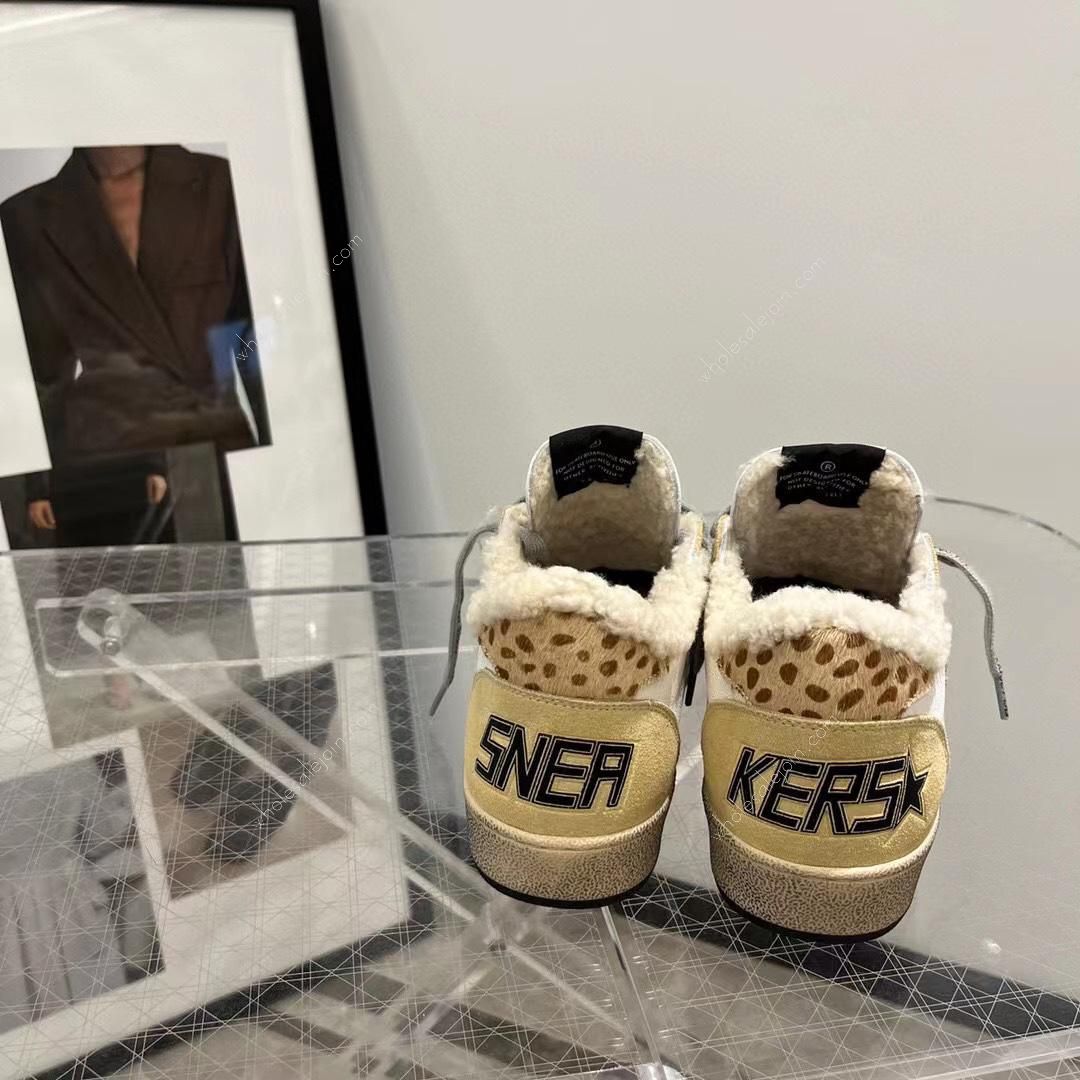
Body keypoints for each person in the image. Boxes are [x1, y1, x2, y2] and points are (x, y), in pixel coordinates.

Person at [0, 144, 270, 547]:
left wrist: (280, 459)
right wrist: (38, 485)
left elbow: (253, 338)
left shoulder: (220, 182)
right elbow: (39, 373)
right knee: (119, 587)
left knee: (235, 578)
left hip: (218, 450)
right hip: (106, 468)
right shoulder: (26, 216)